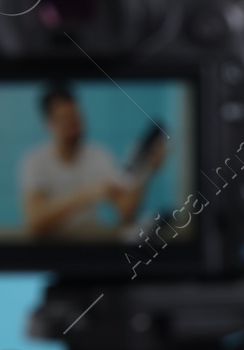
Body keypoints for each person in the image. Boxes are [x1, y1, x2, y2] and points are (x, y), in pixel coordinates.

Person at [18, 85, 165, 239]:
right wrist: (86, 194)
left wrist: (146, 169)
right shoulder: (34, 161)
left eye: (76, 117)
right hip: (52, 251)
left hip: (90, 245)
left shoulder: (100, 155)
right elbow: (34, 222)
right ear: (48, 123)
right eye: (64, 119)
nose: (74, 126)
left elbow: (126, 213)